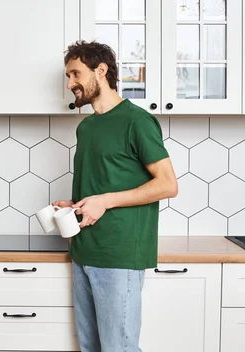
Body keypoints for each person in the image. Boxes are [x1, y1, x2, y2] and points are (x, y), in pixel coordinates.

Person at [53, 40, 178, 352]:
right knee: (91, 348)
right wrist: (77, 204)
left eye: (75, 74)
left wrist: (105, 201)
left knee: (117, 348)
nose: (70, 84)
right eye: (68, 76)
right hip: (82, 252)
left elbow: (167, 185)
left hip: (119, 254)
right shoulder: (86, 127)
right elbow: (102, 186)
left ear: (102, 70)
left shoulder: (137, 121)